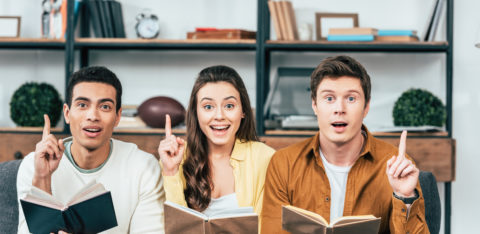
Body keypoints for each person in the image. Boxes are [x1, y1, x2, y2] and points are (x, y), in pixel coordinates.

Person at [261, 55, 429, 233]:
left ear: (366, 107)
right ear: (314, 105)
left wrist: (405, 197)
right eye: (329, 98)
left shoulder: (396, 167)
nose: (339, 109)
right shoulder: (283, 164)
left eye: (351, 99)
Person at [16, 66, 165, 233]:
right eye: (82, 105)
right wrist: (42, 179)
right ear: (67, 113)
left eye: (105, 107)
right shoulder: (33, 165)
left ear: (117, 117)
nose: (93, 116)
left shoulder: (143, 167)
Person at [159, 65, 275, 216]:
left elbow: (267, 225)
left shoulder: (265, 158)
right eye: (208, 107)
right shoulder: (175, 158)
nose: (219, 115)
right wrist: (171, 171)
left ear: (243, 111)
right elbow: (174, 226)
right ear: (196, 113)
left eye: (229, 106)